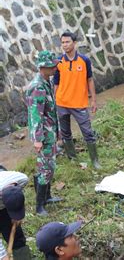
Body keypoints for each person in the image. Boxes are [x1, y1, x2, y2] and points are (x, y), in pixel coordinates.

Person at [54, 32, 101, 169]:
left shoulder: (84, 60)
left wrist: (93, 100)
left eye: (67, 42)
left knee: (88, 133)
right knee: (66, 133)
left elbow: (90, 80)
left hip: (79, 104)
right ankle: (73, 159)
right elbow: (56, 83)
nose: (64, 45)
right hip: (62, 103)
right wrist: (54, 100)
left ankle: (95, 161)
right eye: (62, 42)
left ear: (75, 43)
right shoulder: (59, 61)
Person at [27, 50, 62, 216]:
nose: (55, 67)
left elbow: (50, 111)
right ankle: (39, 206)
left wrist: (56, 132)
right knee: (44, 169)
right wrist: (38, 139)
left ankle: (47, 197)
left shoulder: (47, 81)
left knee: (50, 166)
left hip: (50, 133)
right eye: (52, 66)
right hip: (43, 136)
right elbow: (36, 116)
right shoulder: (37, 87)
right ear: (43, 67)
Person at [0, 170, 31, 259]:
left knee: (16, 236)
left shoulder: (22, 179)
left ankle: (23, 257)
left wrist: (16, 214)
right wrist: (3, 256)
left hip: (5, 203)